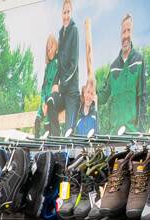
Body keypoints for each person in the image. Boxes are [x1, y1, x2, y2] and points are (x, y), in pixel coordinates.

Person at [107, 12, 148, 134]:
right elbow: (104, 94)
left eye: (128, 31)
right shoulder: (113, 66)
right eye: (123, 31)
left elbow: (143, 96)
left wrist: (142, 130)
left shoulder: (139, 60)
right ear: (120, 35)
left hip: (132, 134)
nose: (126, 35)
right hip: (114, 134)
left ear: (132, 33)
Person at [55, 0, 83, 138]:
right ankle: (51, 147)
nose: (65, 15)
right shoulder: (61, 33)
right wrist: (55, 84)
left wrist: (62, 85)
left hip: (71, 92)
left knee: (69, 133)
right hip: (62, 92)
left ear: (71, 13)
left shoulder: (74, 30)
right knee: (50, 106)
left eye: (68, 12)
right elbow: (59, 64)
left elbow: (74, 64)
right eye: (64, 12)